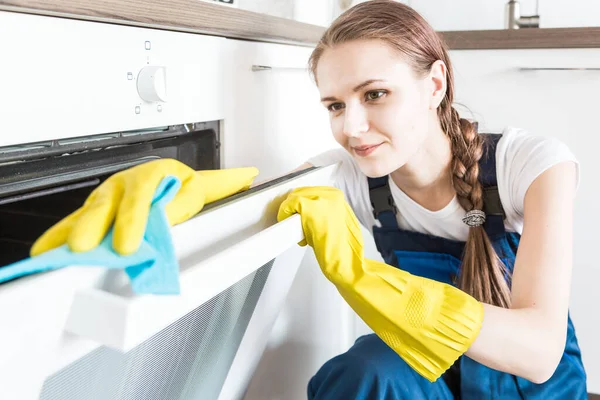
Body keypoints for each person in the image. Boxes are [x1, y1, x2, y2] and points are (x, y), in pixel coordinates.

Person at [31, 0, 587, 398]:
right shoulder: (350, 177)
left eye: (375, 94)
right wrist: (175, 195)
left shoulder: (531, 165)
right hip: (427, 373)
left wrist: (367, 279)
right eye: (334, 105)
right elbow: (253, 212)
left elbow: (537, 353)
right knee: (366, 371)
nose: (353, 127)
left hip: (528, 387)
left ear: (435, 83)